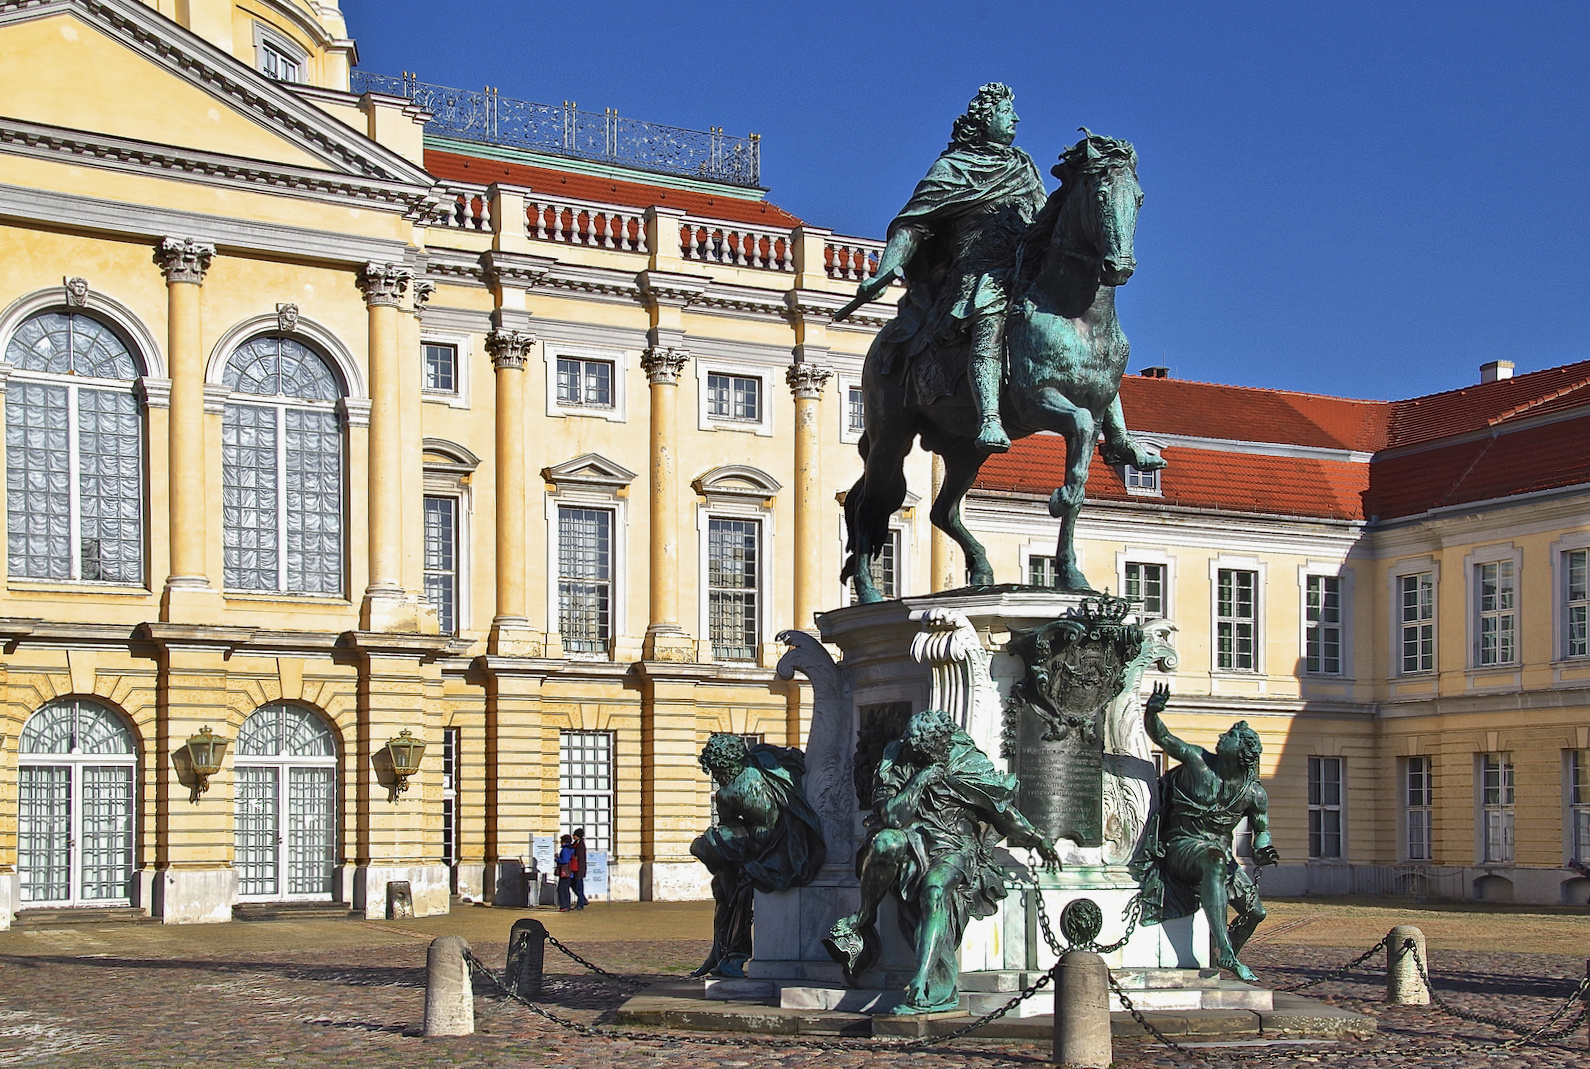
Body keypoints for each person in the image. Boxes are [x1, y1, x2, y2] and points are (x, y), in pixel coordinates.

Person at [849, 83, 1048, 454]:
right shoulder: (953, 168)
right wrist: (883, 271)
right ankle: (989, 417)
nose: (1015, 119)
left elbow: (1044, 219)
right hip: (976, 275)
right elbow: (913, 224)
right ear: (985, 119)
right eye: (1007, 112)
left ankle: (1116, 433)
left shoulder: (1023, 166)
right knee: (989, 313)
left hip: (1024, 271)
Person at [824, 708, 1059, 1015]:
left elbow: (1000, 807)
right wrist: (920, 779)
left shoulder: (964, 759)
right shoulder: (896, 755)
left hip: (954, 845)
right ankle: (862, 918)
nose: (927, 756)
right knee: (884, 841)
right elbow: (892, 817)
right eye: (917, 753)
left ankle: (923, 981)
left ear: (944, 743)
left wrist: (1036, 837)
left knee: (935, 890)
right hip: (914, 838)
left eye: (932, 752)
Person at [1135, 683, 1278, 981]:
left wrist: (1264, 847)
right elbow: (1162, 737)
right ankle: (1225, 949)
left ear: (1240, 751)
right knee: (1213, 860)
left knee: (1256, 913)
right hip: (1181, 846)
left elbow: (1261, 831)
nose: (1220, 738)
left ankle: (1223, 955)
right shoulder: (1197, 761)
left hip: (1218, 856)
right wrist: (1152, 711)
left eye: (1229, 737)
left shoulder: (1253, 794)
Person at [688, 734, 826, 978]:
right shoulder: (746, 773)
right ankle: (720, 951)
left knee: (740, 886)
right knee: (721, 884)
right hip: (761, 844)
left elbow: (765, 828)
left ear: (729, 766)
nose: (716, 777)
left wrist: (738, 850)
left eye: (719, 771)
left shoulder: (739, 790)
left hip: (782, 845)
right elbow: (731, 826)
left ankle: (735, 955)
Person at [554, 834, 575, 912]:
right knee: (566, 889)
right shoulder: (572, 849)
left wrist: (557, 859)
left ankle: (564, 906)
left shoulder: (565, 850)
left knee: (561, 889)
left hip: (565, 872)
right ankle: (567, 905)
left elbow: (565, 860)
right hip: (571, 872)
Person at [570, 827, 588, 910]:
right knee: (574, 885)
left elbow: (580, 859)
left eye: (574, 835)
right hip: (575, 869)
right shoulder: (576, 843)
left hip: (578, 869)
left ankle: (580, 903)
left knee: (578, 887)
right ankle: (582, 900)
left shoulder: (580, 845)